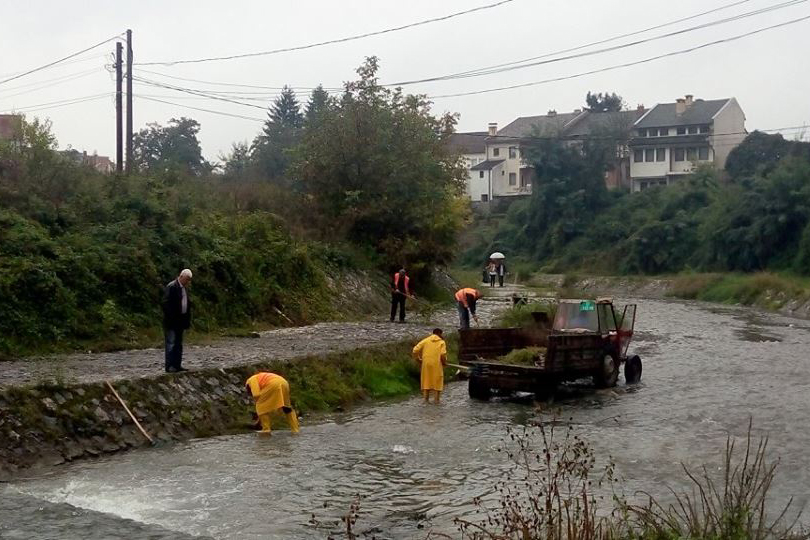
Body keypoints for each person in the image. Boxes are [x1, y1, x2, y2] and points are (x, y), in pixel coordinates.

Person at [162, 268, 192, 373]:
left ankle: (177, 365)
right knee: (171, 343)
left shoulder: (184, 288)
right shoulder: (172, 287)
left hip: (181, 321)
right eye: (187, 279)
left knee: (179, 344)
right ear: (181, 276)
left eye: (189, 280)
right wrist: (172, 318)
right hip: (172, 321)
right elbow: (166, 305)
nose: (188, 282)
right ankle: (170, 366)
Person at [412, 328, 447, 404]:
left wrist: (418, 359)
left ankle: (425, 400)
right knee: (437, 381)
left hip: (426, 363)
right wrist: (444, 362)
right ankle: (436, 400)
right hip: (437, 363)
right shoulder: (442, 342)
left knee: (426, 380)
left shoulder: (426, 340)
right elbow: (442, 354)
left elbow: (415, 350)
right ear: (440, 334)